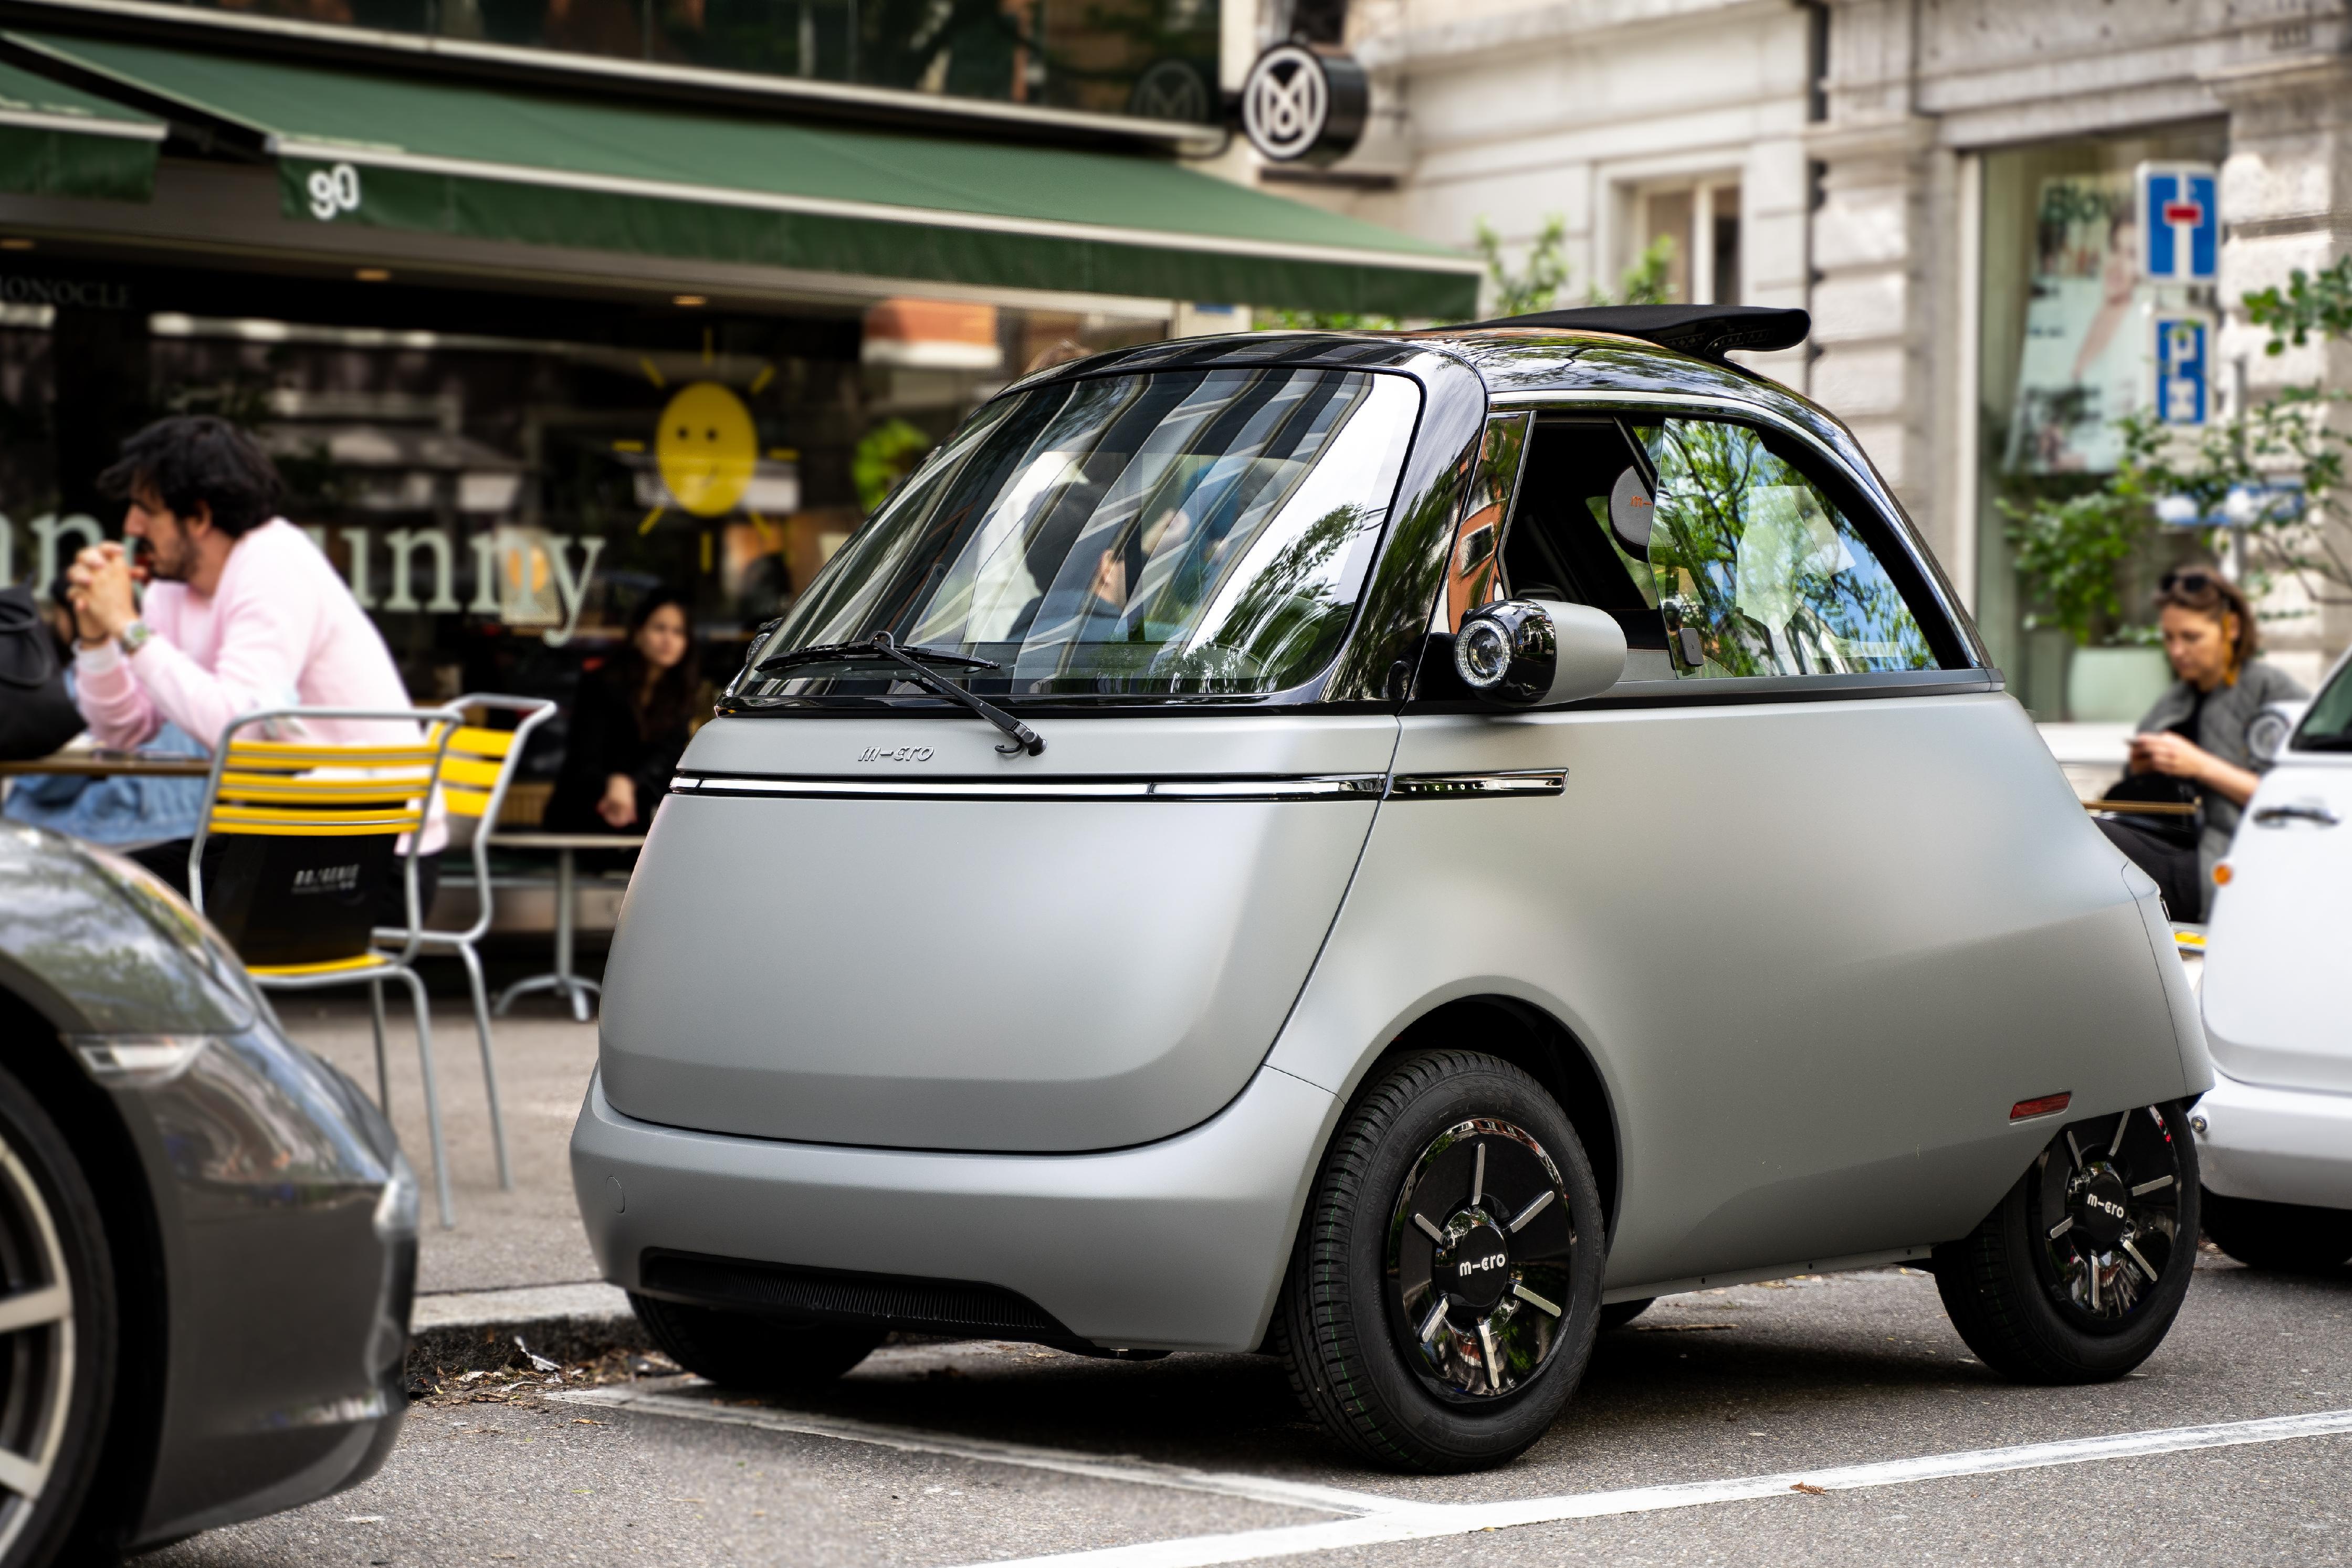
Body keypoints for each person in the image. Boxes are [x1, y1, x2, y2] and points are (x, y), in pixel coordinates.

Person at [62, 415, 444, 915]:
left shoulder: (274, 564)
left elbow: (239, 729)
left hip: (370, 856)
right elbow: (122, 729)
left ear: (198, 517)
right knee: (83, 890)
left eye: (145, 509)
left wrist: (131, 630)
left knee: (104, 906)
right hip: (278, 840)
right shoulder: (171, 592)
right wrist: (98, 637)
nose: (131, 526)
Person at [2096, 566, 2305, 921]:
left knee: (2093, 844)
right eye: (2170, 638)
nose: (2177, 651)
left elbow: (2298, 802)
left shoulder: (2273, 692)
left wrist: (2201, 766)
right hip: (2170, 844)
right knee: (2084, 837)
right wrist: (2141, 770)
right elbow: (2132, 799)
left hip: (2238, 866)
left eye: (2191, 637)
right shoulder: (2172, 703)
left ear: (2232, 628)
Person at [1, 576, 207, 846]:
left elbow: (45, 784)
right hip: (189, 828)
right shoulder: (183, 671)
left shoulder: (87, 680)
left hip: (103, 834)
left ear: (77, 615)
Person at [545, 590, 708, 844]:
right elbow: (583, 757)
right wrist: (615, 783)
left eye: (678, 632)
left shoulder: (682, 693)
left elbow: (668, 758)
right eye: (660, 628)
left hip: (647, 817)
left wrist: (629, 783)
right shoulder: (601, 684)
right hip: (583, 813)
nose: (669, 639)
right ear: (638, 633)